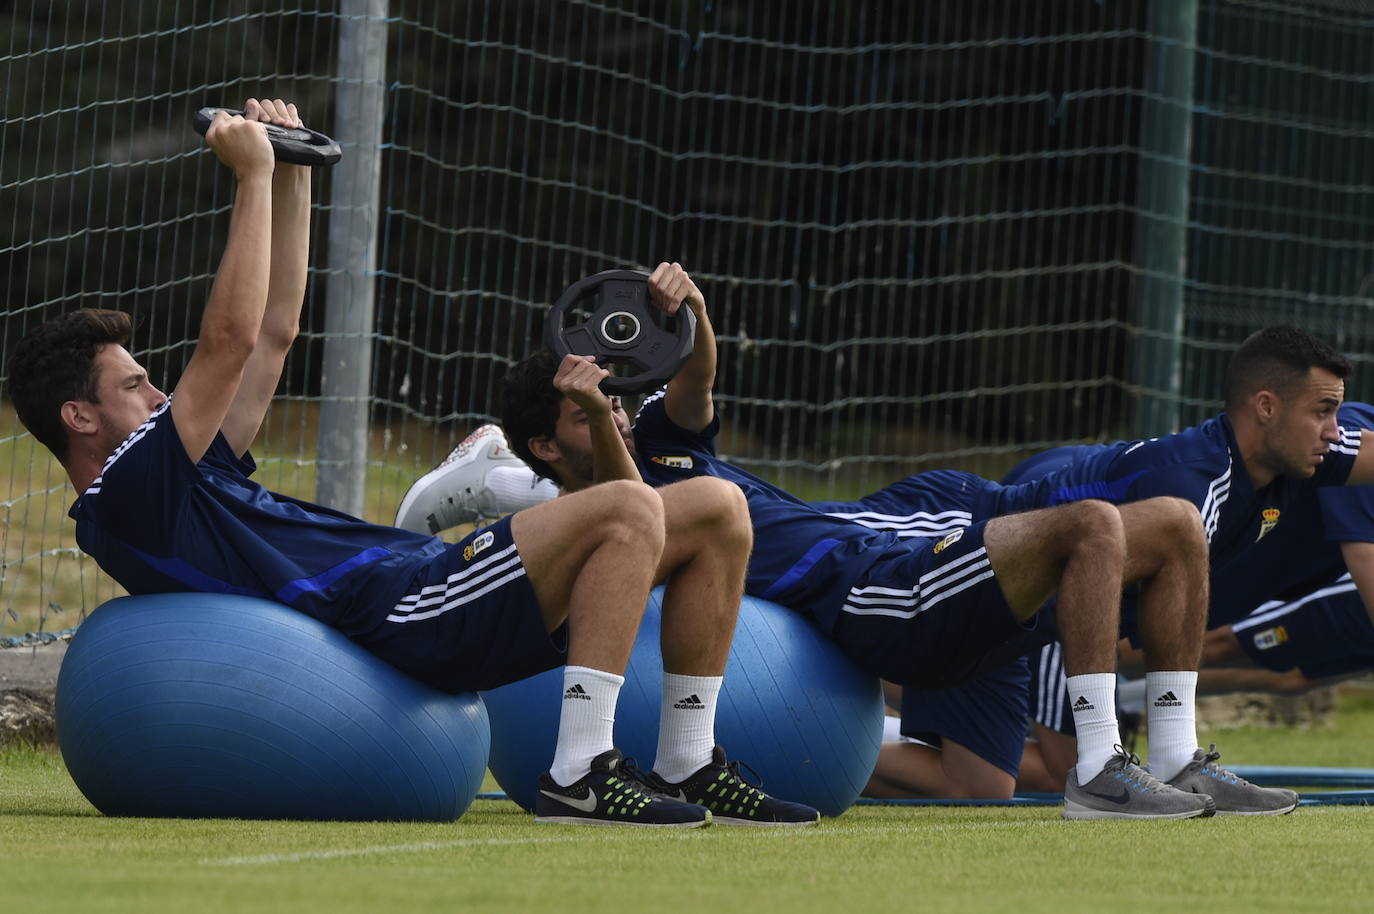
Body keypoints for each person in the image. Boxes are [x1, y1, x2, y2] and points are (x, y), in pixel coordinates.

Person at [4, 101, 819, 829]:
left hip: (431, 585)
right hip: (405, 610)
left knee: (716, 505)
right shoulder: (125, 499)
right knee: (631, 507)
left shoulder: (185, 473)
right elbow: (227, 342)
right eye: (133, 382)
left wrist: (292, 172)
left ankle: (687, 758)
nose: (155, 389)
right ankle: (580, 774)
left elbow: (276, 333)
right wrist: (249, 179)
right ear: (80, 417)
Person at [408, 263, 1271, 820]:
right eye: (585, 417)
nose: (620, 418)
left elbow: (696, 378)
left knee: (1170, 522)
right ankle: (1097, 769)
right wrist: (594, 420)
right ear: (552, 449)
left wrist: (693, 313)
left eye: (619, 407)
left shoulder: (664, 444)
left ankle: (1175, 756)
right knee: (1087, 522)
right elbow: (632, 513)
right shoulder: (612, 515)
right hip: (874, 592)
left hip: (900, 568)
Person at [885, 331, 1372, 806]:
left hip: (1022, 602)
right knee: (1068, 771)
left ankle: (844, 733)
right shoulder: (1191, 484)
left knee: (981, 789)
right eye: (1325, 412)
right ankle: (870, 696)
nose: (1337, 430)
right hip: (963, 535)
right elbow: (1080, 592)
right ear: (1266, 407)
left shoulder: (1294, 456)